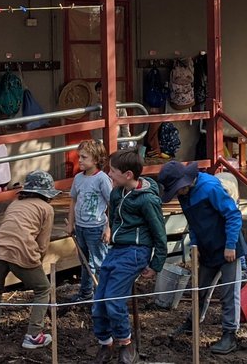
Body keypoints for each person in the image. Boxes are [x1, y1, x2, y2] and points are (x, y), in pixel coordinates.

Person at [158, 160, 247, 355]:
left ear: (185, 182)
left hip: (227, 248)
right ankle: (192, 323)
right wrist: (195, 247)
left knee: (228, 293)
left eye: (176, 190)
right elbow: (194, 222)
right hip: (207, 248)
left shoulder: (210, 188)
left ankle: (230, 335)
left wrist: (230, 245)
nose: (176, 194)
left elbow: (233, 215)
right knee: (200, 289)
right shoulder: (185, 194)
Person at [92, 149, 167, 364]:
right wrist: (110, 230)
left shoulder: (147, 201)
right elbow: (114, 215)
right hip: (116, 249)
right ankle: (105, 342)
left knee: (114, 300)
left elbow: (159, 233)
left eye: (112, 170)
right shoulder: (117, 193)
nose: (109, 174)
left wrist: (156, 263)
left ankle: (125, 342)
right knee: (99, 301)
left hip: (135, 251)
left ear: (127, 175)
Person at [0, 169, 61, 349]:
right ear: (47, 193)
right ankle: (34, 334)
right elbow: (42, 244)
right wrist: (36, 264)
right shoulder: (46, 209)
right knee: (43, 289)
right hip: (23, 250)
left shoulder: (15, 203)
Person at [66, 140, 112, 302]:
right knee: (85, 262)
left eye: (84, 157)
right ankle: (86, 293)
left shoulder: (102, 179)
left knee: (100, 262)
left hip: (96, 228)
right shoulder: (78, 178)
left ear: (96, 159)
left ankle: (105, 295)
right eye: (79, 157)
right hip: (80, 227)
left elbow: (111, 203)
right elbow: (73, 200)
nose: (79, 160)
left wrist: (108, 228)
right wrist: (71, 223)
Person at [92, 81, 136, 149]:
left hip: (117, 140)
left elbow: (125, 125)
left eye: (102, 92)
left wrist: (126, 139)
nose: (99, 95)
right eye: (98, 92)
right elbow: (92, 128)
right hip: (100, 142)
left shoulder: (119, 106)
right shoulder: (95, 108)